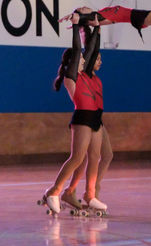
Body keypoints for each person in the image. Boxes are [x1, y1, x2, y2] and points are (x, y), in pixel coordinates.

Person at [43, 13, 107, 214]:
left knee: (94, 156)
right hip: (83, 118)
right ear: (73, 61)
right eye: (80, 58)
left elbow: (92, 49)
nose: (84, 59)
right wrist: (77, 24)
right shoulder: (73, 76)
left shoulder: (86, 74)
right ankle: (53, 191)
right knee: (78, 157)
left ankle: (90, 195)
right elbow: (80, 48)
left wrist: (96, 28)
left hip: (96, 117)